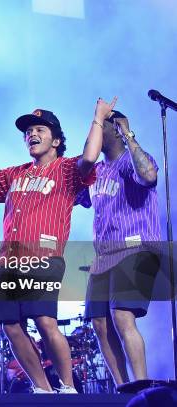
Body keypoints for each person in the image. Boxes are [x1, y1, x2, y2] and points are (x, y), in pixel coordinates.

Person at [0, 98, 116, 393]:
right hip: (9, 261)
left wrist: (97, 117)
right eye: (28, 131)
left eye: (40, 129)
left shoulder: (67, 170)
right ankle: (42, 388)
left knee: (44, 321)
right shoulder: (15, 173)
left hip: (43, 257)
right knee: (10, 326)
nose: (31, 134)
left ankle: (68, 387)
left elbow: (91, 157)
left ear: (56, 139)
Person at [79, 110, 161, 387]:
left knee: (122, 315)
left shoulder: (132, 160)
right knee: (99, 323)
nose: (94, 132)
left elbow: (149, 175)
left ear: (115, 129)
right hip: (105, 256)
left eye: (100, 126)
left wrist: (129, 135)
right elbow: (70, 195)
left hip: (136, 248)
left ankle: (141, 385)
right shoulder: (96, 173)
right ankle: (122, 387)